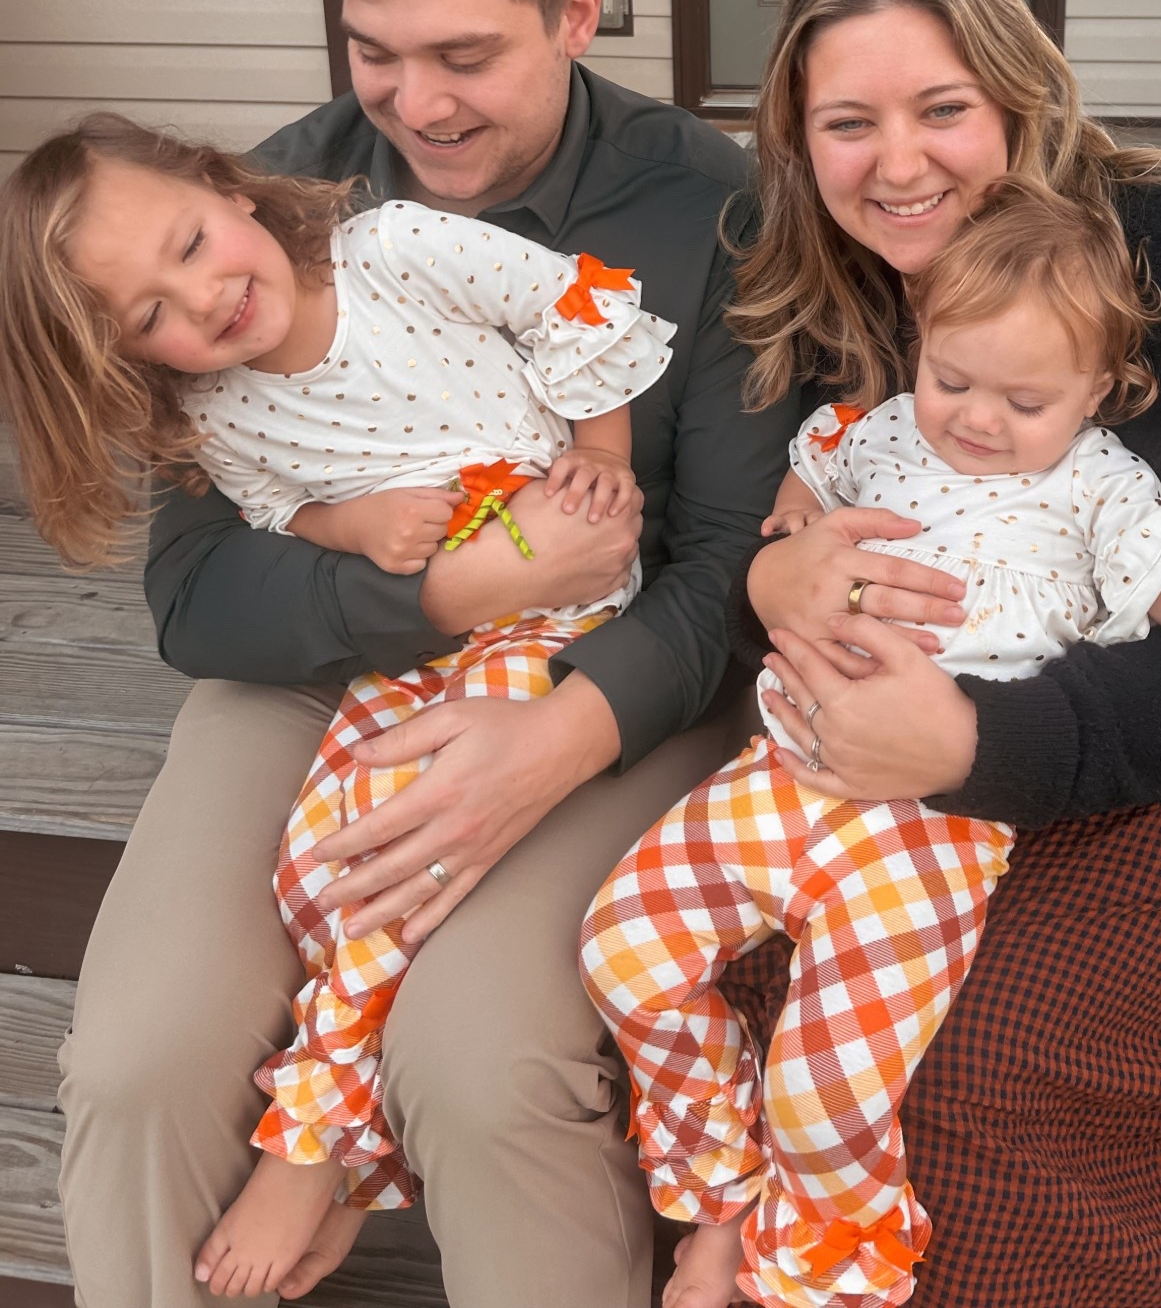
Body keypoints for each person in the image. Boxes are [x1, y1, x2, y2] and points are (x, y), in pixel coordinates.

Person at [47, 0, 801, 1308]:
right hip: (333, 659)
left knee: (475, 1052)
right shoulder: (271, 209)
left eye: (466, 58)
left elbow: (724, 566)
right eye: (374, 54)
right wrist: (425, 591)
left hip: (605, 662)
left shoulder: (706, 210)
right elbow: (197, 587)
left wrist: (555, 737)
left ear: (577, 12)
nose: (417, 105)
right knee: (137, 1055)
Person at [699, 0, 1161, 1308]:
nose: (897, 164)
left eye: (942, 109)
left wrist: (970, 745)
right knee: (776, 974)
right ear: (797, 139)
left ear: (1020, 97)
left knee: (972, 1052)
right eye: (849, 122)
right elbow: (752, 533)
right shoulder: (830, 293)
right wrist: (768, 585)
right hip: (943, 709)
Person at [582, 179, 1161, 1308]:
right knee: (623, 955)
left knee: (827, 1090)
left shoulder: (1098, 483)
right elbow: (810, 472)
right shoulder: (885, 428)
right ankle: (719, 1193)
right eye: (953, 376)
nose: (978, 417)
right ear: (923, 343)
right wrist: (792, 536)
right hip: (780, 775)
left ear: (1099, 388)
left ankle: (817, 1267)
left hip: (925, 829)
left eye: (1024, 398)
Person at [0, 114, 678, 1296]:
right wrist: (355, 528)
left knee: (391, 862)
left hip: (559, 611)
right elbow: (271, 509)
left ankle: (308, 1145)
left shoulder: (399, 251)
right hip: (420, 652)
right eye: (152, 312)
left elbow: (583, 301)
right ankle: (349, 1146)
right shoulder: (216, 409)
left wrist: (603, 455)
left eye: (194, 242)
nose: (203, 297)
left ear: (233, 190)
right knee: (319, 859)